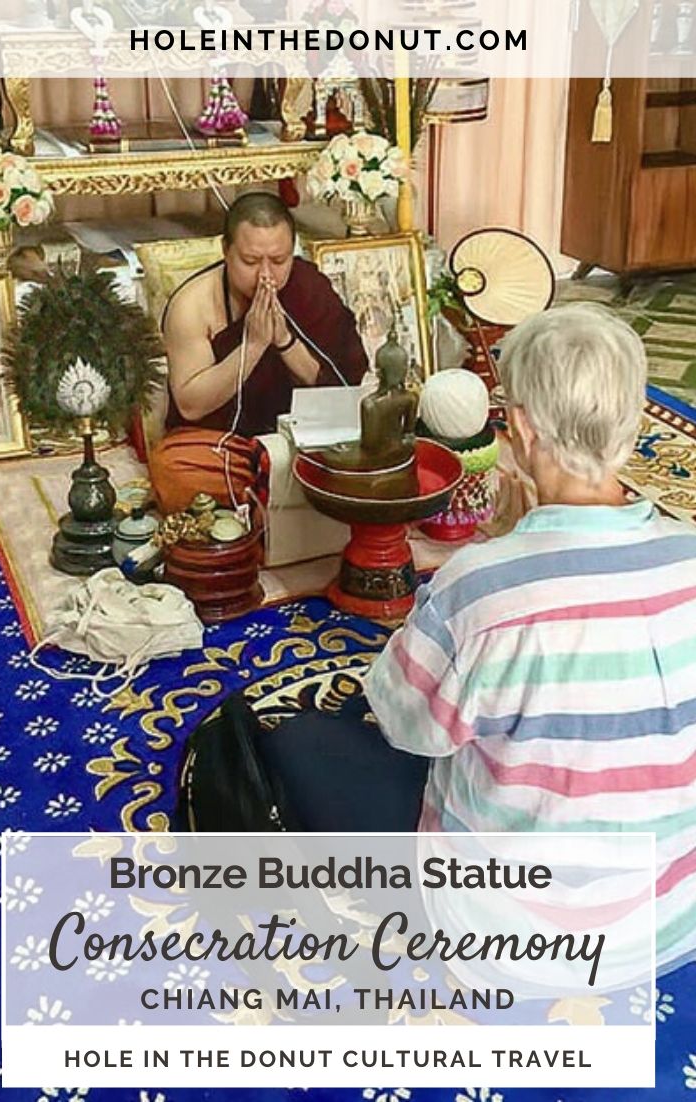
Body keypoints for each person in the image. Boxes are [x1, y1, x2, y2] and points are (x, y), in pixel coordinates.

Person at [362, 303, 696, 974]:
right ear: (632, 427)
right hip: (666, 921)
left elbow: (404, 723)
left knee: (315, 750)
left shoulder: (482, 587)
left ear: (517, 428)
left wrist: (495, 555)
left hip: (508, 943)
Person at [149, 191, 368, 513]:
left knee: (371, 446)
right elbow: (191, 405)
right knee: (172, 469)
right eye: (251, 262)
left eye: (279, 261)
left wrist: (283, 341)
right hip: (229, 447)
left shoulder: (309, 286)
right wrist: (252, 345)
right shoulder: (193, 305)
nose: (266, 275)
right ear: (226, 251)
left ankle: (278, 484)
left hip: (300, 436)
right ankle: (283, 484)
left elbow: (341, 388)